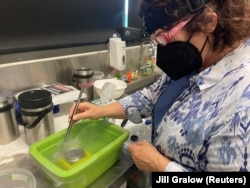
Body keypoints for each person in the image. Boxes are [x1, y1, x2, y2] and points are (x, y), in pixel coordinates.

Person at [69, 0, 250, 172]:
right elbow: (153, 96)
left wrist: (162, 166)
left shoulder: (241, 106)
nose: (161, 49)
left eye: (164, 37)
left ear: (209, 22)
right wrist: (101, 110)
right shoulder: (196, 60)